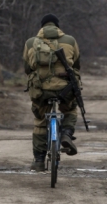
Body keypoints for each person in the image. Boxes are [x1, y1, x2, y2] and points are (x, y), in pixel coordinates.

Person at [23, 13, 81, 172]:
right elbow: (77, 65)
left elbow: (27, 68)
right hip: (65, 91)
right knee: (70, 109)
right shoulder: (70, 41)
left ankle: (39, 160)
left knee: (40, 120)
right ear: (58, 26)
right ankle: (66, 134)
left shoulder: (30, 43)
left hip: (41, 92)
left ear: (42, 26)